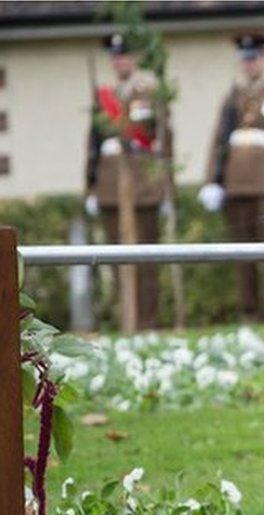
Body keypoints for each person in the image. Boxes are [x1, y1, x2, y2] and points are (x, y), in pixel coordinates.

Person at [199, 32, 264, 320]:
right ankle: (249, 310)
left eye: (254, 57)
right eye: (245, 59)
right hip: (236, 182)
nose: (250, 64)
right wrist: (211, 181)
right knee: (242, 252)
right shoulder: (234, 95)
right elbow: (219, 141)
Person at [85, 32, 167, 330]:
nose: (121, 61)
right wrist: (91, 187)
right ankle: (126, 320)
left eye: (126, 55)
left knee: (146, 259)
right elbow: (93, 145)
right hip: (109, 184)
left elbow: (163, 139)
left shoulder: (150, 92)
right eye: (116, 56)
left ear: (134, 59)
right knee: (116, 257)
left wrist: (164, 186)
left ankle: (148, 321)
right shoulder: (103, 97)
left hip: (143, 182)